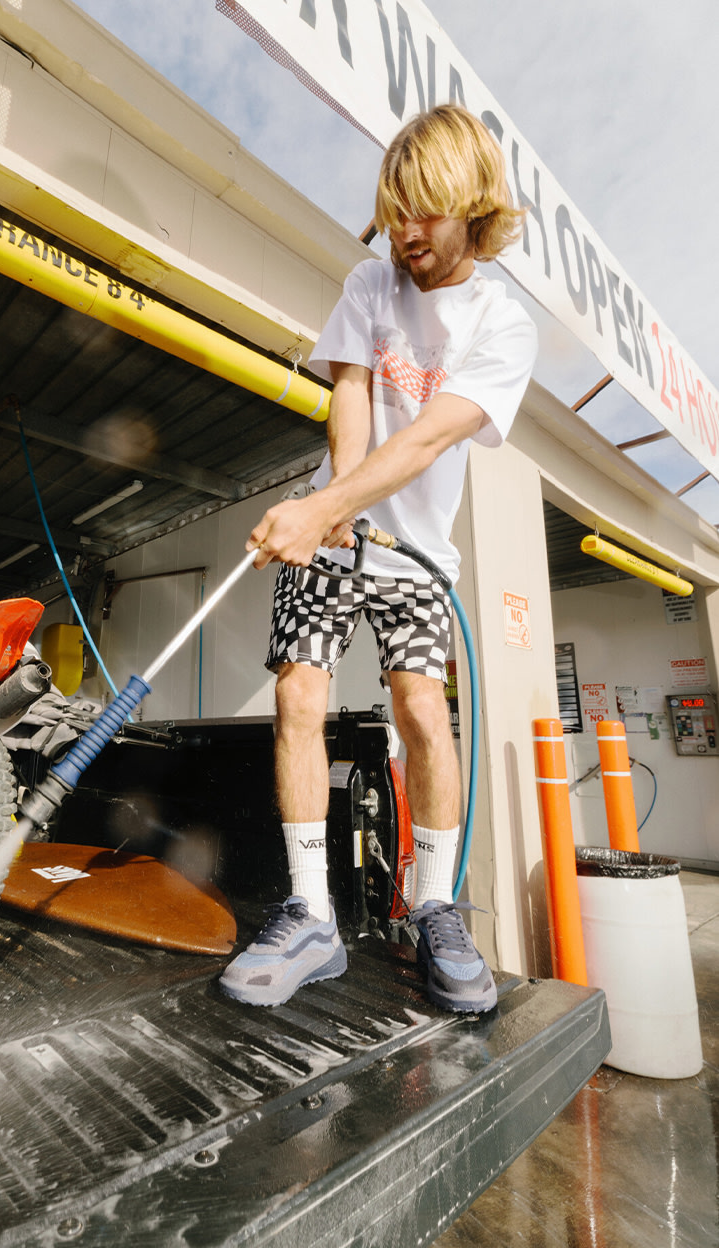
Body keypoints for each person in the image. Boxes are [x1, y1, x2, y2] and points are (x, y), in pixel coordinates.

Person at [220, 104, 538, 1012]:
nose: (405, 234)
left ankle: (434, 908)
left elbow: (432, 437)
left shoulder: (503, 326)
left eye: (425, 214)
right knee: (298, 691)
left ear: (473, 206)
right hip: (337, 529)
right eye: (394, 211)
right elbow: (351, 406)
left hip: (419, 553)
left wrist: (326, 504)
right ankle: (311, 915)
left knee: (421, 710)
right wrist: (332, 513)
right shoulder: (370, 284)